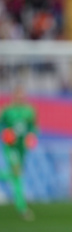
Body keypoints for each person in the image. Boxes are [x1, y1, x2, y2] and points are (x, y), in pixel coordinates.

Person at [0, 86, 38, 221]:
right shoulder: (8, 111)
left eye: (22, 95)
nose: (20, 98)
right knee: (17, 176)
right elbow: (2, 126)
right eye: (18, 95)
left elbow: (33, 128)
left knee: (16, 175)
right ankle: (22, 208)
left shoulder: (29, 111)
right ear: (14, 96)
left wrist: (31, 137)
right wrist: (6, 134)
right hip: (11, 148)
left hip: (22, 149)